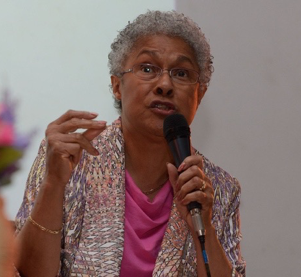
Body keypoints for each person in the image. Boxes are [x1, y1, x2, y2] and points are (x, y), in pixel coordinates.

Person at [15, 10, 246, 277]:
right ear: (116, 86)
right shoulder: (68, 159)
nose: (165, 84)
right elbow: (26, 273)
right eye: (148, 68)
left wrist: (202, 225)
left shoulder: (217, 189)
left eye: (181, 73)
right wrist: (53, 184)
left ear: (200, 94)